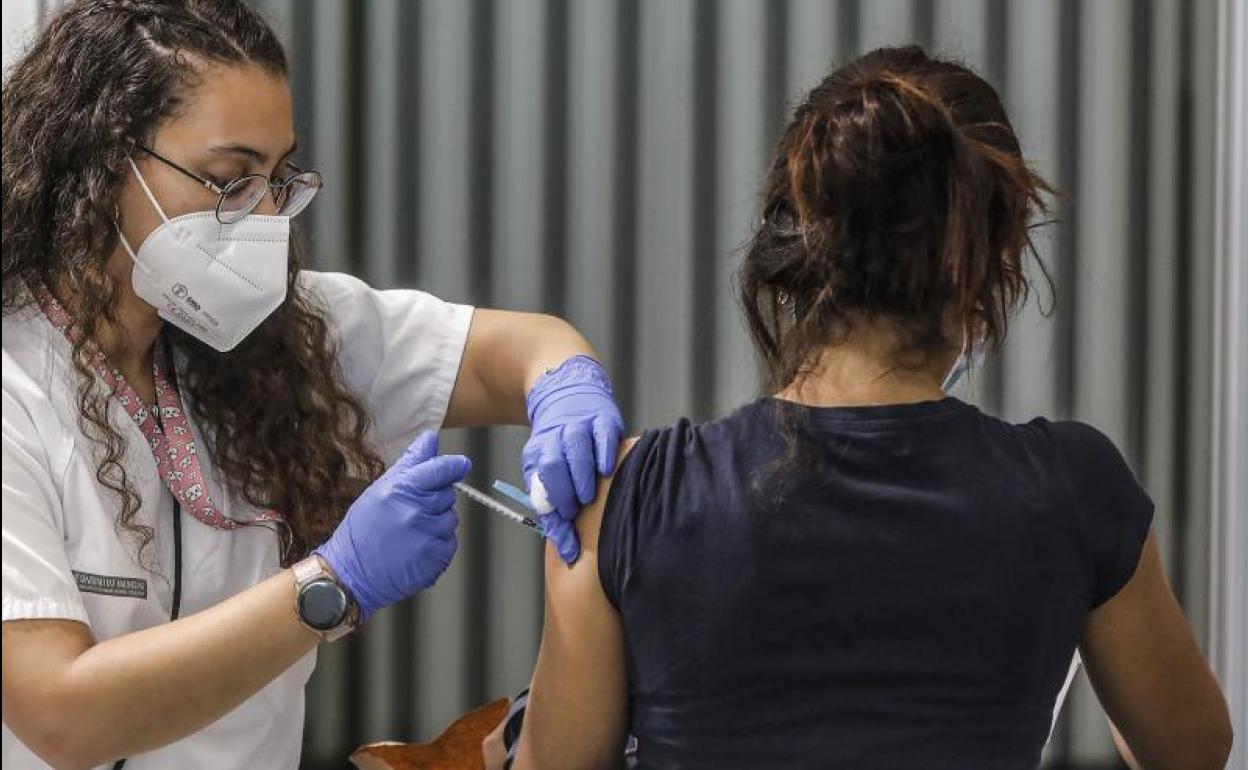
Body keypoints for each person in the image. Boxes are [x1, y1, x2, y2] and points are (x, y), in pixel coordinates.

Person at [491, 46, 1233, 770]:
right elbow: (1192, 749)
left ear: (791, 245)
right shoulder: (1075, 487)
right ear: (984, 262)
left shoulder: (629, 493)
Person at [0, 1, 623, 768]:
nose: (266, 217)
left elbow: (523, 348)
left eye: (277, 178)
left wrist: (565, 388)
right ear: (99, 164)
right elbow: (60, 716)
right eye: (231, 179)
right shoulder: (14, 388)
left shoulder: (268, 341)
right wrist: (331, 585)